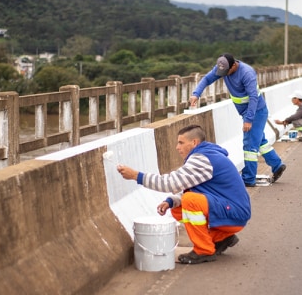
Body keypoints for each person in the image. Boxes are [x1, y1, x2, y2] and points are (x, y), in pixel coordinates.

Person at [117, 125, 251, 264]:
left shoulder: (202, 159)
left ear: (194, 143)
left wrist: (136, 176)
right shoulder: (206, 154)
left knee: (189, 201)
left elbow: (170, 183)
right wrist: (171, 201)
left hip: (235, 214)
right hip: (231, 210)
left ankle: (204, 250)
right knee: (177, 208)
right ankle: (221, 237)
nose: (177, 147)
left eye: (181, 142)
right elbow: (195, 189)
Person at [189, 53, 286, 187]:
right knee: (259, 141)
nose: (225, 74)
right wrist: (196, 94)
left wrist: (249, 120)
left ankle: (248, 179)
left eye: (227, 71)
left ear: (234, 65)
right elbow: (207, 79)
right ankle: (277, 164)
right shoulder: (222, 68)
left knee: (249, 145)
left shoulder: (247, 73)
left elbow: (253, 97)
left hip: (256, 111)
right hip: (246, 112)